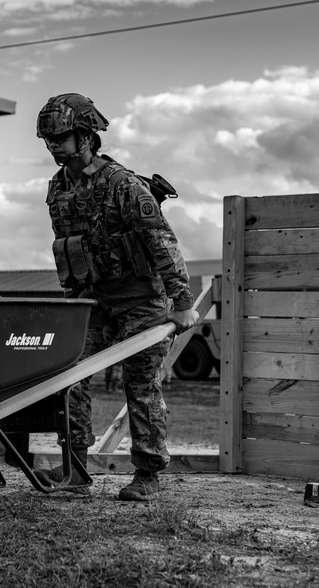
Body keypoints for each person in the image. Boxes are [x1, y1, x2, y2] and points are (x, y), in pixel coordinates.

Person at [34, 92, 199, 501]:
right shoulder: (58, 188)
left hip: (142, 299)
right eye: (49, 139)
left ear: (86, 136)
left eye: (62, 136)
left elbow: (162, 243)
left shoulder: (123, 185)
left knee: (141, 384)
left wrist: (182, 304)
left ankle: (147, 475)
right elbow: (68, 245)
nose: (54, 144)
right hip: (95, 299)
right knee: (69, 374)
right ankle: (75, 468)